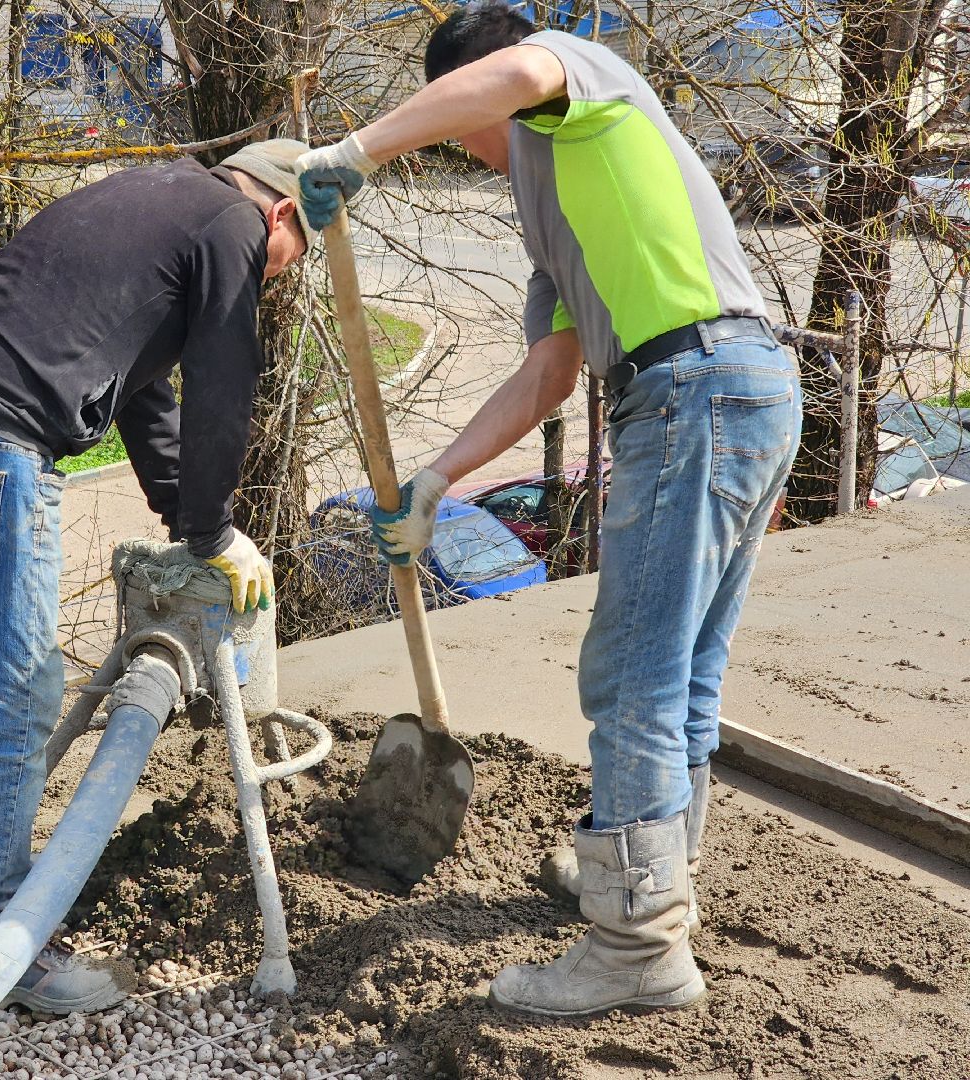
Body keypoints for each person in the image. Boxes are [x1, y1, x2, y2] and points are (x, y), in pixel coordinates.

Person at [297, 5, 800, 1017]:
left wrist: (360, 146)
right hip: (738, 390)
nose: (469, 151)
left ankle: (636, 948)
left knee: (633, 679)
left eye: (457, 127)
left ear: (479, 84)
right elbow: (548, 375)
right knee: (682, 676)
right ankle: (648, 878)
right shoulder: (555, 213)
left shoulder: (576, 83)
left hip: (696, 386)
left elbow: (518, 78)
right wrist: (437, 478)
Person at [0, 139, 315, 1014]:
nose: (271, 278)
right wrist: (217, 534)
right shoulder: (232, 226)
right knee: (16, 692)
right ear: (280, 214)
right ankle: (6, 936)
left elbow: (141, 391)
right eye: (285, 261)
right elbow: (224, 382)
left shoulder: (160, 196)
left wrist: (184, 524)